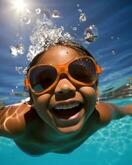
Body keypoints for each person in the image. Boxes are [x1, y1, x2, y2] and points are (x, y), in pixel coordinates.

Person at [0, 40, 132, 156]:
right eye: (44, 81)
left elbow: (126, 109)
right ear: (31, 100)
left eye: (80, 75)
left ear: (96, 90)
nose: (64, 87)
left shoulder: (100, 116)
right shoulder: (17, 124)